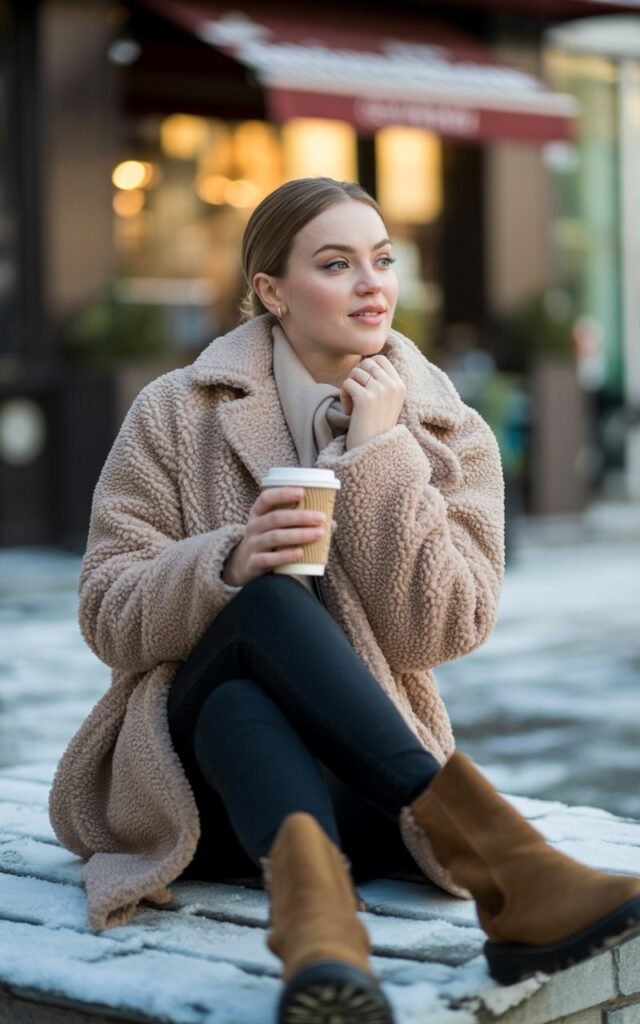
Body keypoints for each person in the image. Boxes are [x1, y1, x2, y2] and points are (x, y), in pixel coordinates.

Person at [49, 178, 640, 1024]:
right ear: (272, 291)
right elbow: (106, 609)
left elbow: (449, 622)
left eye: (384, 260)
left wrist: (379, 455)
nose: (373, 285)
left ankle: (323, 944)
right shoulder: (178, 414)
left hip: (368, 802)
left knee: (244, 691)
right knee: (258, 615)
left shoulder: (447, 430)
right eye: (336, 264)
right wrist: (225, 559)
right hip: (196, 798)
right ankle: (505, 867)